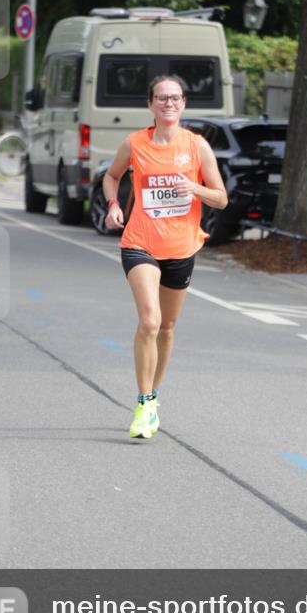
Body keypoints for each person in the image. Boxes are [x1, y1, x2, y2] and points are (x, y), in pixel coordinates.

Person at [103, 75, 228, 439]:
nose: (168, 103)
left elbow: (221, 198)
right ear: (150, 105)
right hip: (139, 241)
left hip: (181, 247)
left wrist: (195, 188)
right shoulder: (135, 143)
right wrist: (113, 205)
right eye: (161, 98)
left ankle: (154, 397)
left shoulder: (197, 147)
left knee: (168, 328)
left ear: (183, 104)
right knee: (149, 321)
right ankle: (143, 403)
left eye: (174, 98)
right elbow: (112, 177)